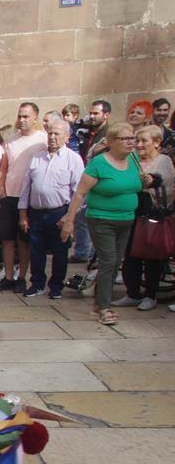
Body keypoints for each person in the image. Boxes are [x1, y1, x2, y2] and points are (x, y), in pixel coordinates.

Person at [60, 122, 142, 326]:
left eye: (132, 138)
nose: (131, 142)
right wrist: (69, 222)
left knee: (115, 263)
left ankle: (100, 299)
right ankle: (104, 307)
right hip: (101, 219)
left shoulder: (134, 159)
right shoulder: (98, 163)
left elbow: (135, 184)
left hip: (126, 218)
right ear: (111, 142)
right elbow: (80, 193)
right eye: (125, 138)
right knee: (109, 261)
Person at [18, 119, 83, 300]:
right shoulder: (37, 157)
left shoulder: (74, 159)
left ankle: (56, 286)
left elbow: (79, 191)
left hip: (59, 212)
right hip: (37, 213)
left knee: (60, 252)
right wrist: (23, 213)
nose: (53, 137)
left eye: (57, 134)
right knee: (36, 251)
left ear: (67, 137)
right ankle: (37, 283)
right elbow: (26, 188)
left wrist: (69, 216)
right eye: (50, 133)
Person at [116, 124, 173, 312]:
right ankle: (132, 293)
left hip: (151, 216)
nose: (139, 145)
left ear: (156, 143)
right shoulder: (130, 159)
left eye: (143, 141)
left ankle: (150, 295)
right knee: (130, 256)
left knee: (152, 257)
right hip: (130, 213)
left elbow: (161, 181)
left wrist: (146, 180)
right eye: (136, 141)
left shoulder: (163, 160)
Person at [0, 104, 46, 293]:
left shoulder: (43, 140)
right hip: (10, 195)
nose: (22, 119)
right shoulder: (10, 140)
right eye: (19, 115)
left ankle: (22, 277)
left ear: (35, 118)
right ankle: (8, 276)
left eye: (26, 116)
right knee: (7, 238)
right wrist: (3, 190)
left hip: (30, 199)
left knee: (24, 240)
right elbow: (3, 168)